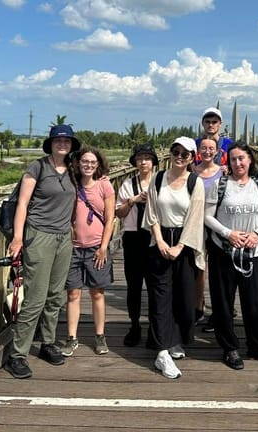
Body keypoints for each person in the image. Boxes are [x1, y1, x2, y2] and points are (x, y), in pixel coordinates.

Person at [4, 124, 80, 379]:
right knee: (35, 297)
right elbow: (22, 204)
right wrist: (17, 238)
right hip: (39, 236)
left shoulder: (72, 169)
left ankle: (48, 342)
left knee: (55, 295)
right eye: (58, 140)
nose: (63, 144)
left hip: (63, 239)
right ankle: (17, 354)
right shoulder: (38, 167)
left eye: (67, 141)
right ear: (50, 143)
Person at [205, 141, 258, 369]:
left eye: (242, 158)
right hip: (224, 251)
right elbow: (208, 217)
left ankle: (257, 345)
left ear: (250, 160)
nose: (238, 163)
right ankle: (230, 348)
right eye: (233, 159)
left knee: (254, 301)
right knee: (223, 301)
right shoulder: (220, 184)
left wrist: (257, 233)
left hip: (250, 252)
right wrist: (228, 233)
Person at [143, 137, 206, 379]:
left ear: (192, 158)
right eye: (176, 151)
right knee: (160, 297)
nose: (180, 156)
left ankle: (174, 339)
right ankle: (161, 352)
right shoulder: (158, 179)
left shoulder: (195, 182)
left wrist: (180, 245)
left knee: (184, 297)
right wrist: (159, 240)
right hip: (159, 239)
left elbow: (195, 217)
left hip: (185, 242)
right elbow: (152, 212)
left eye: (185, 154)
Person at [61, 146, 115, 357]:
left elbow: (110, 219)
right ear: (77, 163)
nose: (89, 165)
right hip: (73, 248)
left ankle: (100, 336)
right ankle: (71, 338)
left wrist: (103, 247)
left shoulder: (104, 185)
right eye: (85, 162)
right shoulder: (71, 184)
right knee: (73, 293)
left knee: (97, 293)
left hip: (96, 248)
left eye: (93, 162)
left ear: (98, 165)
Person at [115, 144, 158, 347]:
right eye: (140, 158)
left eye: (147, 158)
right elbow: (119, 213)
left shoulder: (161, 182)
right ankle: (134, 325)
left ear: (153, 162)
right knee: (134, 285)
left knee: (154, 285)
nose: (143, 162)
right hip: (132, 237)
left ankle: (153, 326)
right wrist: (132, 200)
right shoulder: (127, 184)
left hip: (153, 237)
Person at [193, 136, 224, 324]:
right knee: (199, 267)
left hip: (217, 224)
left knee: (218, 269)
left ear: (217, 152)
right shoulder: (192, 172)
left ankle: (218, 309)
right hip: (196, 224)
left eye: (211, 148)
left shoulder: (223, 173)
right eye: (203, 148)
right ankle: (198, 305)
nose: (207, 151)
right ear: (198, 151)